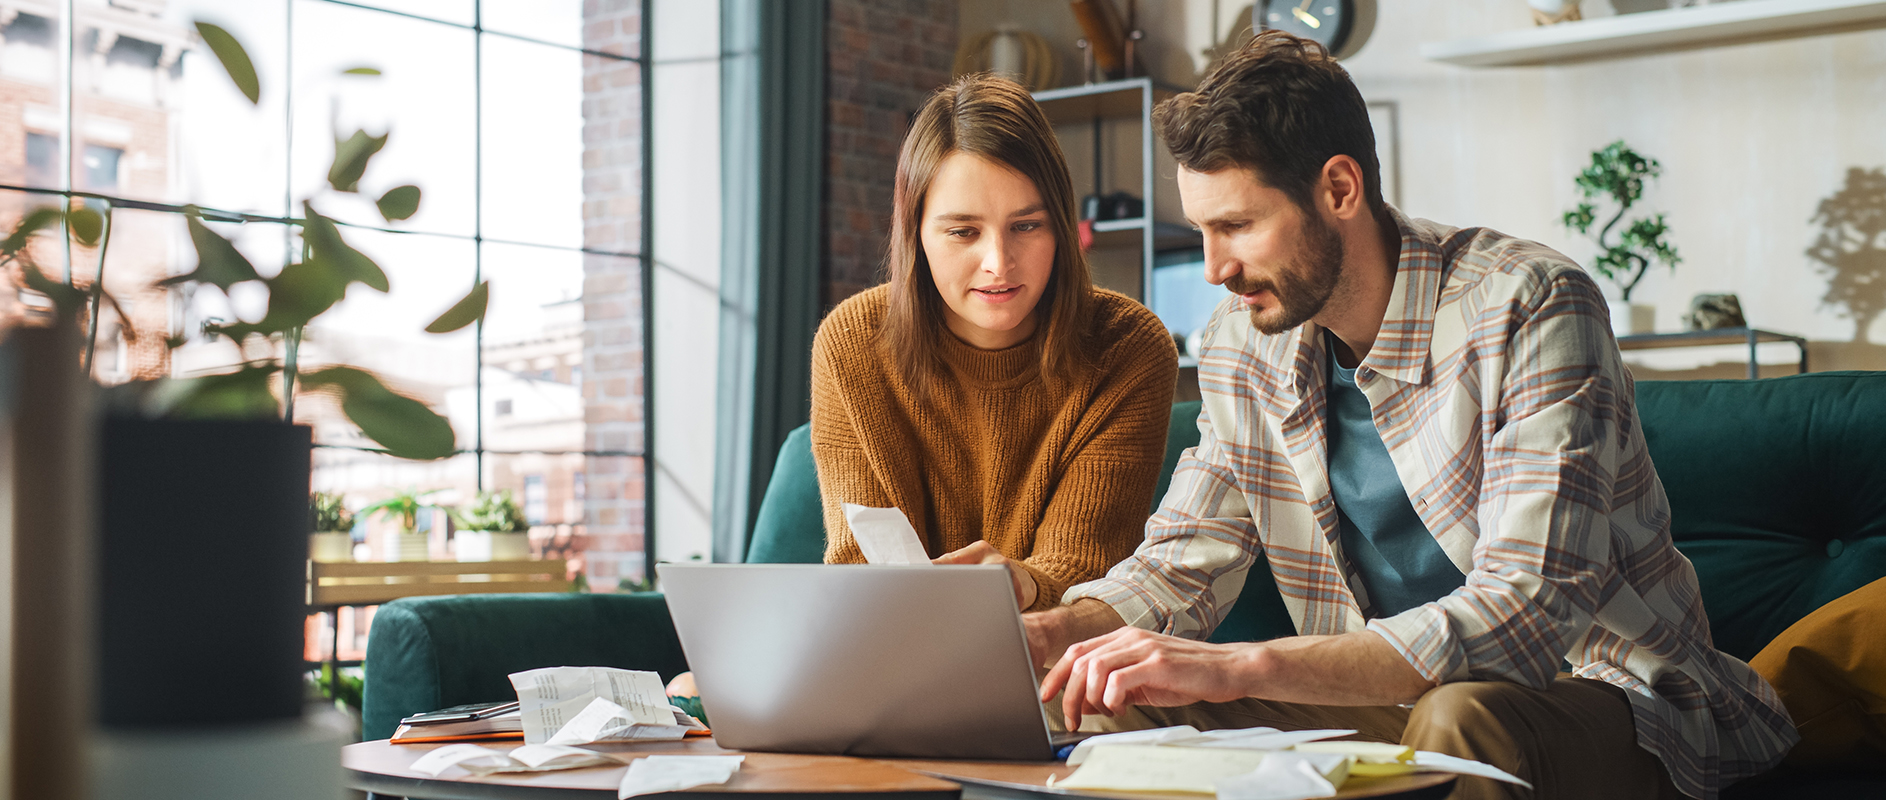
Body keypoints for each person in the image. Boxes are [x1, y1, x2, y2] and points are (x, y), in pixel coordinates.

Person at [1026, 32, 1796, 800]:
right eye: (1202, 230)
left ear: (1338, 189)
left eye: (1238, 226)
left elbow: (1525, 615)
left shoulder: (1529, 304)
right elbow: (1183, 560)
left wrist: (1245, 663)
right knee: (1101, 700)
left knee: (1462, 720)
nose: (1215, 269)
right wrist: (1052, 636)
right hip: (1380, 704)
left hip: (1606, 696)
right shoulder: (1243, 344)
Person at [812, 74, 1178, 611]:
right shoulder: (853, 344)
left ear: (1062, 226)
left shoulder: (1128, 347)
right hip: (893, 648)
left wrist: (1024, 583)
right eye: (963, 232)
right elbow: (862, 566)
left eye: (1027, 226)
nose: (998, 263)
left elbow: (1085, 569)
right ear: (916, 234)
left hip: (1054, 658)